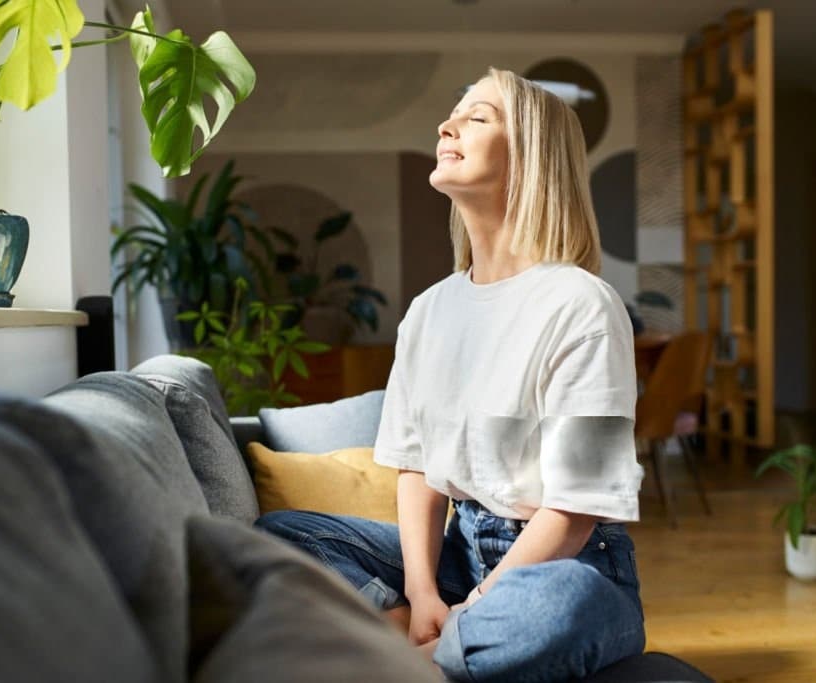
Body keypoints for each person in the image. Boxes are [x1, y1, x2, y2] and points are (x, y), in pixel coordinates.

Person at [256, 67, 646, 682]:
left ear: (530, 158)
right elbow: (418, 469)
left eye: (477, 116)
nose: (446, 126)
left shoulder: (582, 305)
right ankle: (423, 646)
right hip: (457, 553)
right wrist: (423, 595)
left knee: (560, 605)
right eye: (452, 113)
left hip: (566, 561)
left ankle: (398, 660)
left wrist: (481, 606)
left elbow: (573, 510)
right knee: (279, 533)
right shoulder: (430, 310)